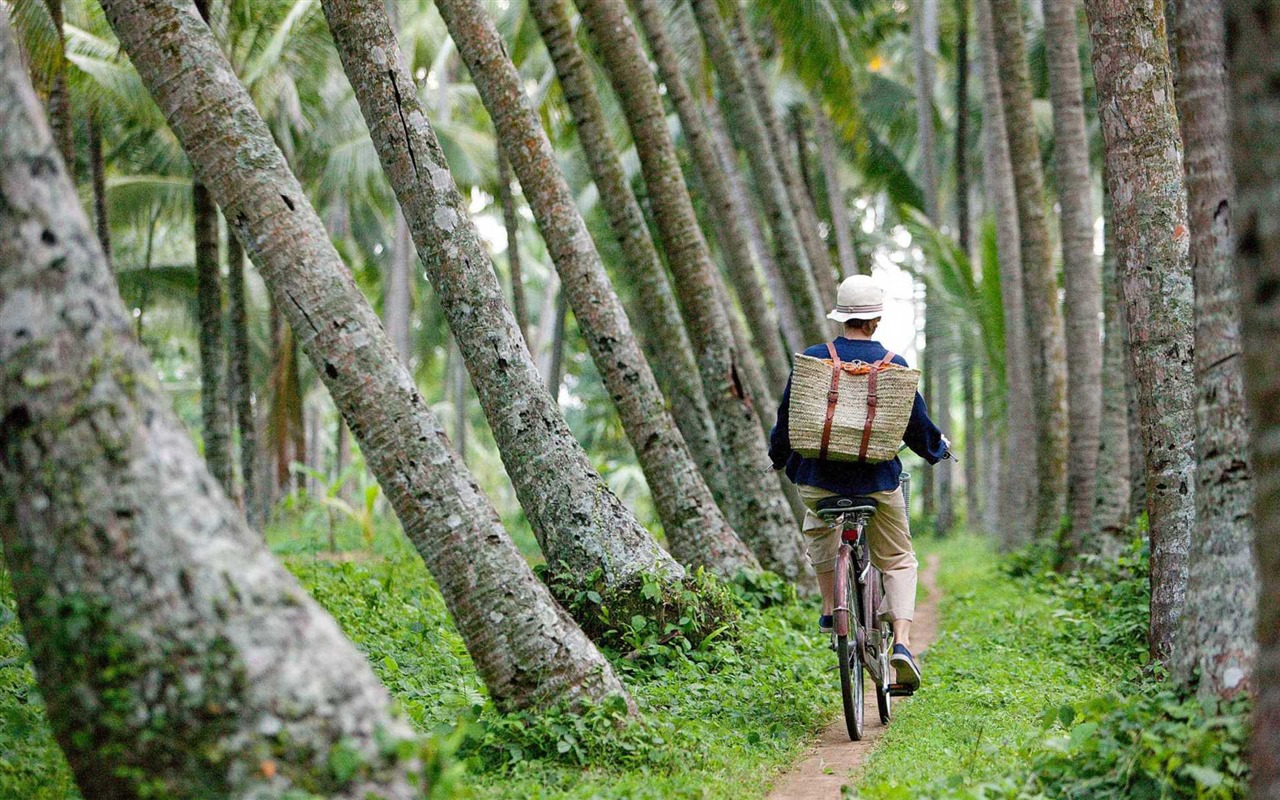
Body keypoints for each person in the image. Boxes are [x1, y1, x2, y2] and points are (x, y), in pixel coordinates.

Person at [768, 274, 948, 690]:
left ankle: (833, 609)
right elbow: (916, 428)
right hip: (876, 486)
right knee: (899, 558)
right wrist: (937, 451)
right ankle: (902, 643)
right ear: (876, 320)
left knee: (818, 529)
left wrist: (779, 460)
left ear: (841, 317)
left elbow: (786, 423)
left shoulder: (815, 360)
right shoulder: (894, 367)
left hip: (819, 482)